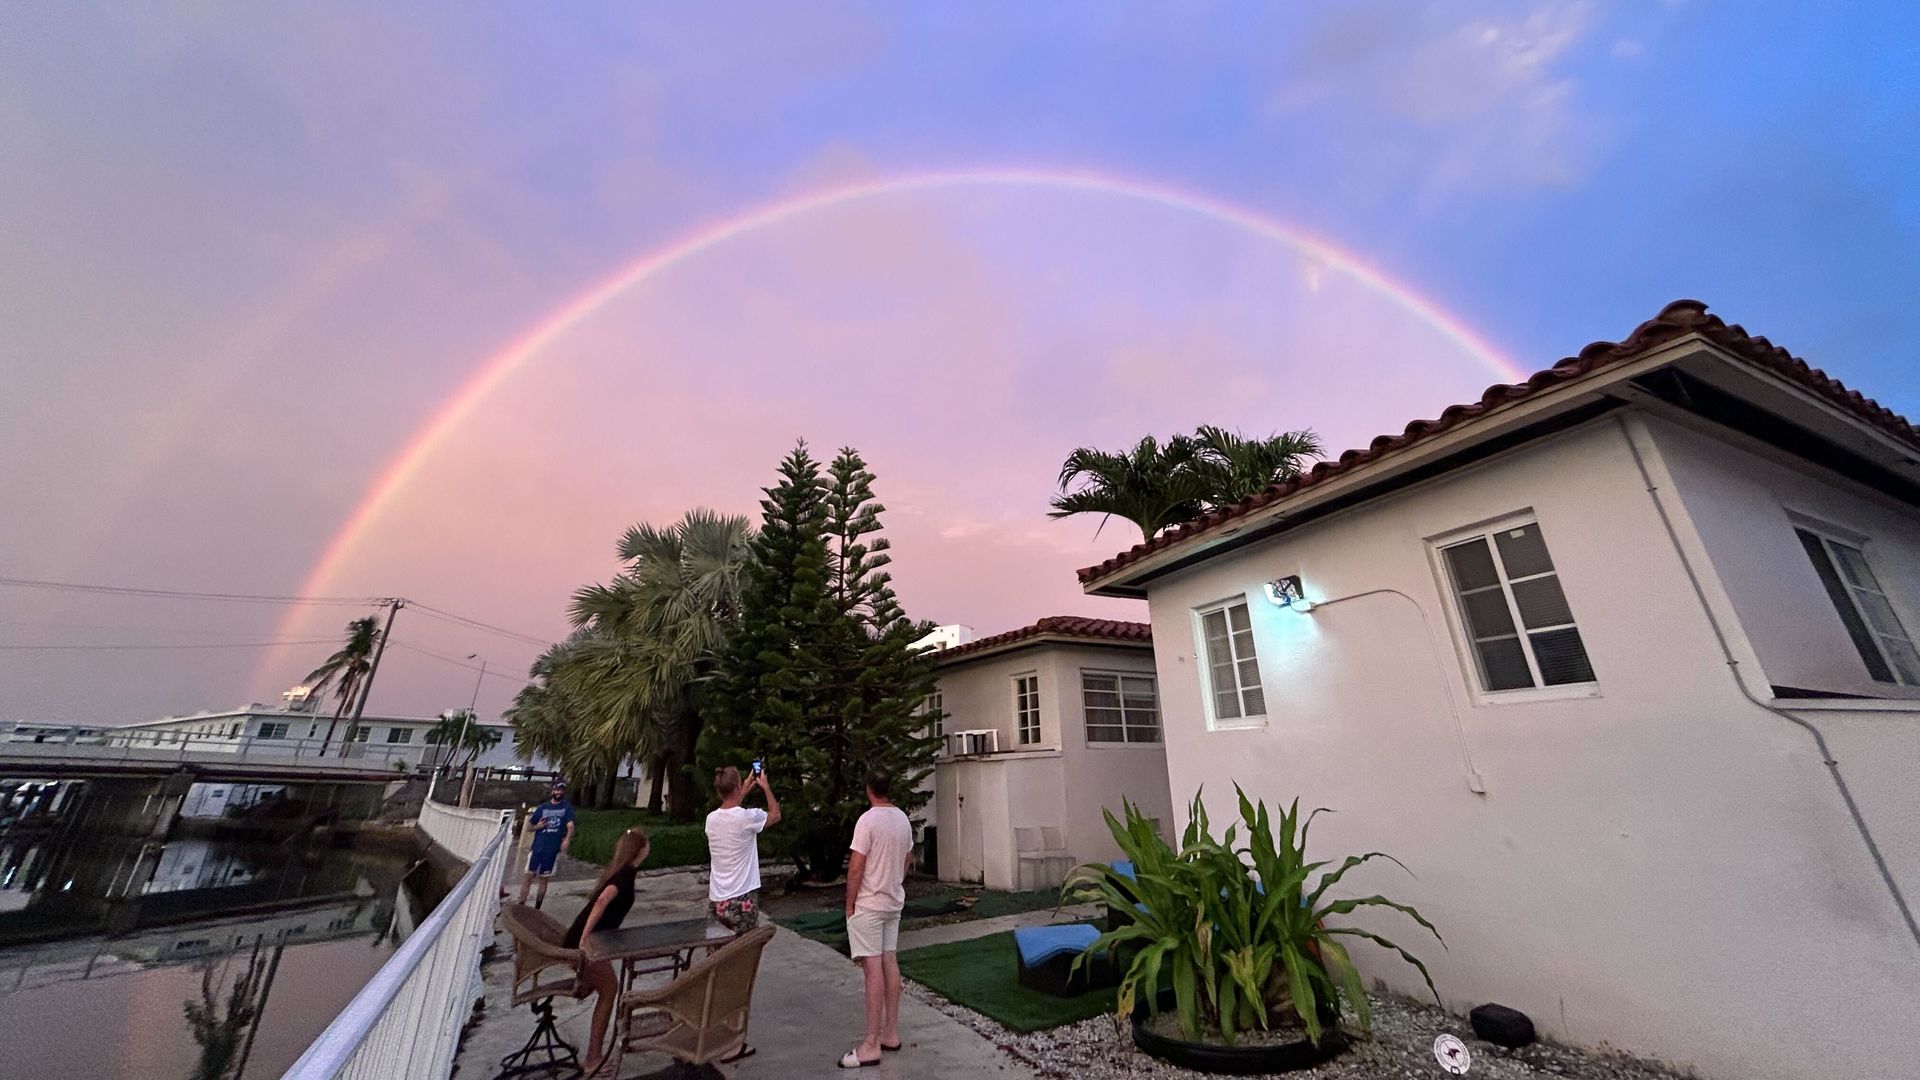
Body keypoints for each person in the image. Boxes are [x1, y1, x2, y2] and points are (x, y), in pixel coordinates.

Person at [838, 768, 913, 1069]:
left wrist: (849, 905)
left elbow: (856, 866)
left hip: (869, 904)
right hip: (893, 902)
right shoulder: (903, 819)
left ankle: (870, 1044)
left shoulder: (867, 821)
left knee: (872, 970)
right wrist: (895, 880)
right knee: (889, 961)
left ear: (869, 789)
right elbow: (908, 857)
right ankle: (890, 1033)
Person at [564, 825, 649, 1076]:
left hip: (594, 943)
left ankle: (595, 1054)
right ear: (640, 850)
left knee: (608, 989)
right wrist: (584, 940)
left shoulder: (623, 872)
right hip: (587, 946)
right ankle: (592, 1059)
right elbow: (602, 902)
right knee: (609, 991)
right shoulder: (622, 877)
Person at [705, 764, 779, 931]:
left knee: (718, 952)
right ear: (737, 786)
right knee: (745, 952)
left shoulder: (711, 820)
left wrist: (742, 791)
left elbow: (730, 810)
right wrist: (765, 787)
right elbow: (775, 815)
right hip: (742, 897)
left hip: (717, 898)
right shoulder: (749, 817)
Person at [518, 780, 575, 909]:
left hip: (552, 850)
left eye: (561, 790)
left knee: (544, 879)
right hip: (537, 848)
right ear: (552, 791)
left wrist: (567, 840)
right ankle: (521, 904)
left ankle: (537, 907)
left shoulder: (566, 808)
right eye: (556, 790)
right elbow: (529, 826)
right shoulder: (543, 808)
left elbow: (570, 826)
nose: (558, 792)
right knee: (528, 876)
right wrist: (539, 826)